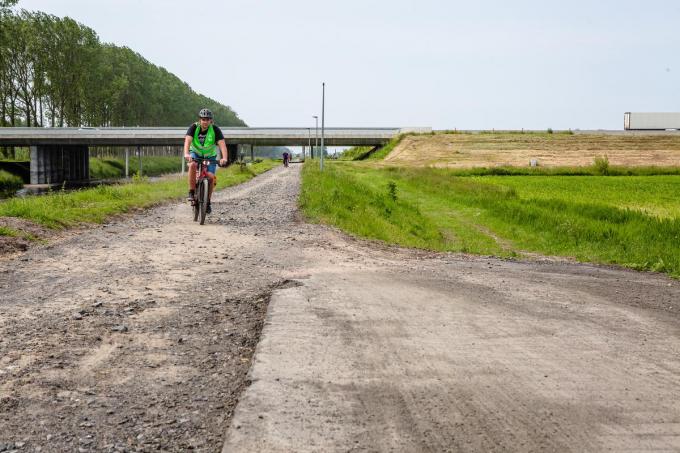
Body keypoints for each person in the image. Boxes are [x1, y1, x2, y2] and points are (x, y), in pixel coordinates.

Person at [184, 108, 228, 214]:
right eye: (203, 119)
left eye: (207, 119)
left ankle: (207, 201)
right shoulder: (193, 127)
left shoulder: (215, 130)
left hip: (210, 157)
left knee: (211, 177)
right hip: (195, 153)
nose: (205, 121)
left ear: (211, 121)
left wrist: (224, 158)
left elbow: (222, 145)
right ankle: (191, 191)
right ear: (200, 120)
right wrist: (186, 154)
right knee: (192, 165)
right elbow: (187, 141)